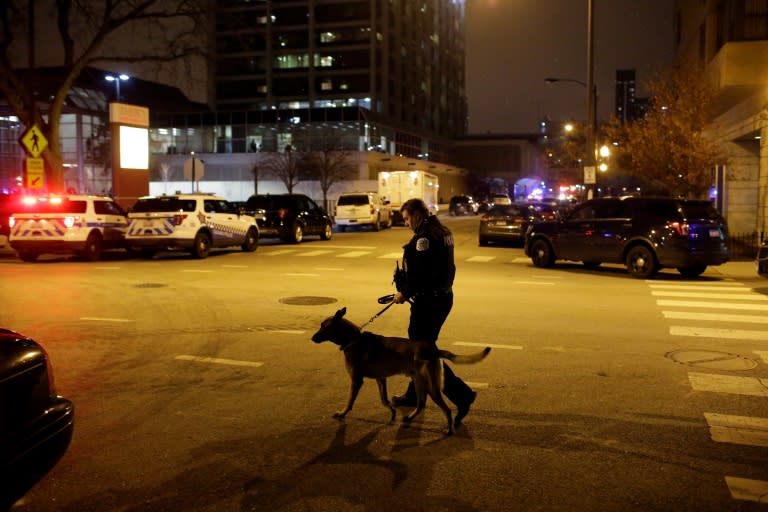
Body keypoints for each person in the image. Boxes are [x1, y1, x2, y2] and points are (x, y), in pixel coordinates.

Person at [390, 198, 477, 427]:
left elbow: (421, 275)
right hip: (442, 297)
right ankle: (413, 394)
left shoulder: (425, 237)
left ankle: (462, 395)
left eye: (407, 218)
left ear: (418, 214)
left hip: (429, 302)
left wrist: (403, 293)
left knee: (425, 353)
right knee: (419, 351)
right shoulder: (443, 229)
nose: (406, 223)